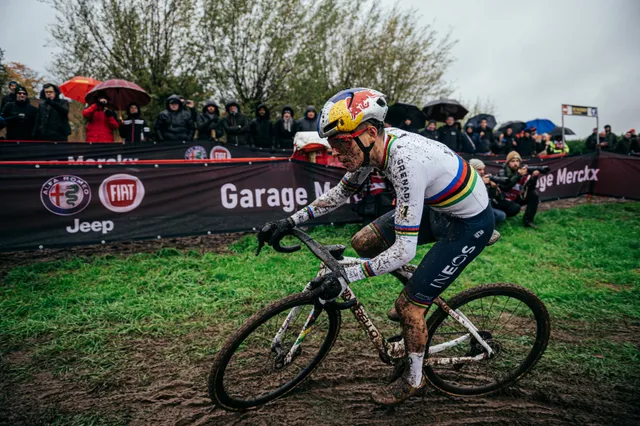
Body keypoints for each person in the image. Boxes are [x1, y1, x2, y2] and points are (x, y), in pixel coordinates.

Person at [257, 88, 498, 406]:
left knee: (409, 308)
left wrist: (349, 275)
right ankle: (417, 290)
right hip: (440, 210)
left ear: (369, 132)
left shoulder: (405, 161)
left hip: (469, 226)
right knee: (363, 242)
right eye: (333, 145)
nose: (337, 154)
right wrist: (289, 221)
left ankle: (414, 380)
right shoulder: (370, 145)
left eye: (341, 144)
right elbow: (339, 195)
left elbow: (404, 250)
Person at [495, 151, 541, 228]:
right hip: (502, 200)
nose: (515, 163)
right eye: (512, 161)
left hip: (515, 197)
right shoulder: (503, 172)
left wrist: (534, 177)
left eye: (517, 161)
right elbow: (505, 187)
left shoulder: (523, 172)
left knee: (533, 195)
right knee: (515, 208)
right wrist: (518, 175)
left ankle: (528, 221)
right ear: (508, 163)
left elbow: (530, 188)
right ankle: (502, 217)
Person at [469, 158, 506, 224]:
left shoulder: (484, 178)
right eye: (479, 169)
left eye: (483, 169)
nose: (482, 172)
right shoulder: (468, 180)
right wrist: (480, 183)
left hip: (486, 208)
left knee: (502, 215)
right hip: (473, 210)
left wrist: (493, 187)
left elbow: (491, 196)